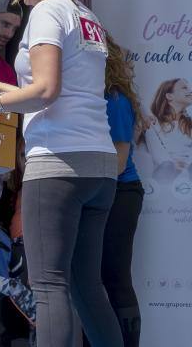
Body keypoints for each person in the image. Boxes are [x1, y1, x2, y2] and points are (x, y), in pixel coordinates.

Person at [0, 0, 123, 347]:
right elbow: (60, 89)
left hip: (58, 163)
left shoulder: (48, 12)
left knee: (48, 286)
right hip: (98, 164)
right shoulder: (85, 14)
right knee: (86, 288)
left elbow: (45, 90)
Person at [96, 35, 144, 347]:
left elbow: (119, 162)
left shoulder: (114, 99)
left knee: (115, 277)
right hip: (105, 192)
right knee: (97, 280)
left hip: (121, 192)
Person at [144, 78, 192, 182]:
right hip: (165, 178)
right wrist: (174, 164)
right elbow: (159, 156)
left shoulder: (190, 124)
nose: (190, 91)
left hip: (188, 178)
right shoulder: (153, 123)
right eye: (185, 88)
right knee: (167, 166)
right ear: (169, 96)